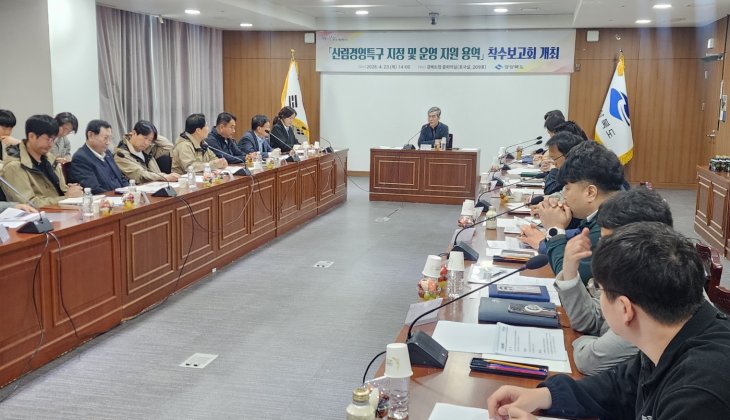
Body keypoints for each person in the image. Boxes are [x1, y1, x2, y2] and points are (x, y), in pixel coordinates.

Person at [487, 222, 730, 420]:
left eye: (600, 290)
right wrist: (547, 396)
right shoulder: (672, 334)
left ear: (625, 309)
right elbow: (620, 387)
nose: (598, 297)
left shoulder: (699, 393)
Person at [556, 187, 674, 375]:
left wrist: (582, 341)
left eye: (610, 243)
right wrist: (570, 270)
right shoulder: (634, 273)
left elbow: (589, 360)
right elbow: (590, 320)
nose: (602, 252)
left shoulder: (655, 295)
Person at [539, 141, 624, 282]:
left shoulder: (608, 226)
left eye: (567, 188)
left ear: (590, 192)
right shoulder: (615, 207)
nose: (564, 195)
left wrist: (554, 229)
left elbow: (570, 277)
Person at [0, 114, 82, 206]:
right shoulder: (14, 167)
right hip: (41, 213)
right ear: (31, 136)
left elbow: (63, 190)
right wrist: (67, 197)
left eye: (53, 139)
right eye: (48, 139)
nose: (51, 144)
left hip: (61, 210)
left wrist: (73, 191)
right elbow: (29, 204)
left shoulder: (50, 159)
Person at [68, 119, 129, 194]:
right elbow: (94, 189)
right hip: (107, 198)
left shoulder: (107, 153)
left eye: (110, 138)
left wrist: (129, 191)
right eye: (105, 138)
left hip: (122, 196)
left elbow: (121, 179)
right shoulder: (81, 158)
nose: (108, 142)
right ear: (90, 135)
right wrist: (119, 196)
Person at [114, 120, 179, 184]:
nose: (146, 143)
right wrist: (164, 177)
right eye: (145, 138)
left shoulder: (147, 149)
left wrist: (152, 135)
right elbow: (140, 175)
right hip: (139, 189)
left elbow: (168, 145)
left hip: (157, 185)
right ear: (134, 133)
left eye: (150, 140)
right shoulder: (121, 155)